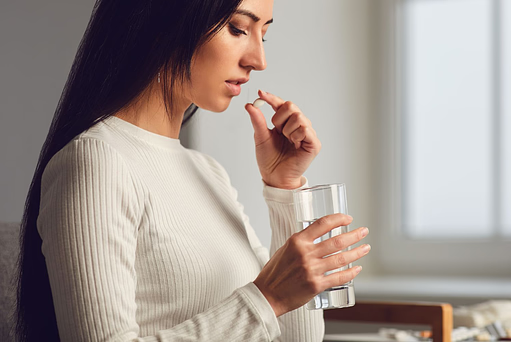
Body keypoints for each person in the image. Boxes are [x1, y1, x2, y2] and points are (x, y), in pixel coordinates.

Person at [14, 0, 371, 340]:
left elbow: (298, 340)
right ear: (167, 20)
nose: (258, 60)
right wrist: (268, 298)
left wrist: (285, 188)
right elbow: (267, 305)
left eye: (264, 34)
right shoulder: (96, 161)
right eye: (237, 28)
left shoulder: (207, 171)